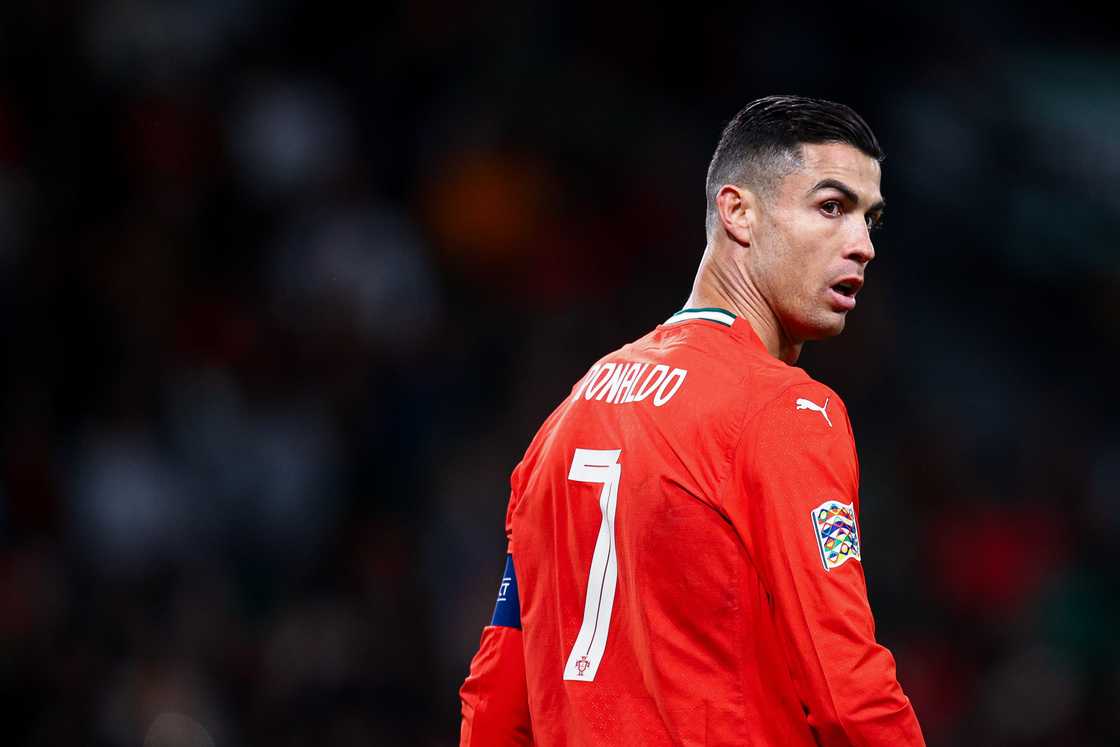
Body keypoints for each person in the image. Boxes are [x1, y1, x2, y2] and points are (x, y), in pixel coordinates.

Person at [459, 95, 925, 746]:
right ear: (737, 211)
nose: (863, 245)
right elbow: (849, 693)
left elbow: (495, 699)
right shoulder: (785, 411)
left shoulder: (565, 420)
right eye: (831, 207)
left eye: (870, 219)